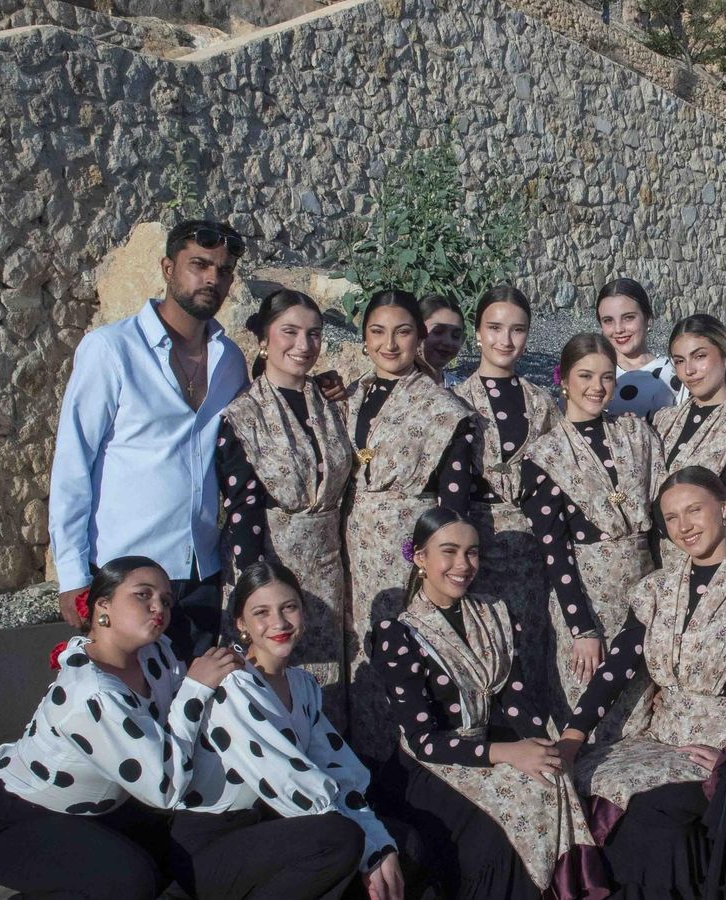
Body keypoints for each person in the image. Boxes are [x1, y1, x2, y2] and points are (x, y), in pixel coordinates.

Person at [558, 467, 726, 900]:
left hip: (720, 746)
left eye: (694, 510)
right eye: (671, 518)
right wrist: (573, 735)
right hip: (658, 736)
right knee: (571, 782)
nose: (684, 526)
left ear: (725, 510)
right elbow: (615, 669)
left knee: (651, 822)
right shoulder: (654, 590)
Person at [0, 557, 242, 899]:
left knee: (184, 850)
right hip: (14, 823)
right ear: (103, 606)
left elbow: (185, 726)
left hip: (97, 813)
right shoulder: (92, 691)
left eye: (166, 600)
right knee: (130, 882)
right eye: (143, 595)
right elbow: (164, 787)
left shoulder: (155, 653)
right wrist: (197, 688)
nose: (159, 607)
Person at [370, 508, 606, 899]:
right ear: (420, 558)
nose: (463, 565)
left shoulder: (493, 614)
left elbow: (514, 698)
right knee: (503, 826)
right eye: (449, 551)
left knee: (549, 778)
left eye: (472, 552)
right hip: (431, 764)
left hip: (486, 743)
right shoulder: (401, 635)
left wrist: (544, 750)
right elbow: (423, 739)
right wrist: (510, 753)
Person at [49, 220, 250, 661]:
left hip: (200, 571)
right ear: (166, 267)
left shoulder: (229, 360)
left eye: (224, 269)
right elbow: (72, 465)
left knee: (190, 703)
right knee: (128, 705)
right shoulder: (111, 349)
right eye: (199, 264)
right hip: (125, 574)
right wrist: (72, 575)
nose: (212, 279)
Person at [170, 559, 408, 900]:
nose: (278, 622)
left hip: (265, 826)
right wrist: (368, 846)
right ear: (241, 624)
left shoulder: (302, 684)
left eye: (289, 608)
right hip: (209, 844)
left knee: (400, 843)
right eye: (261, 613)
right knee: (341, 840)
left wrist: (380, 842)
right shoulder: (233, 685)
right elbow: (288, 779)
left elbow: (337, 769)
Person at [343, 289, 480, 760]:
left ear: (419, 336)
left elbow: (453, 508)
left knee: (408, 652)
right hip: (352, 556)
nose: (389, 344)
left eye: (402, 332)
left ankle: (410, 762)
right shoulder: (352, 395)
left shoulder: (446, 411)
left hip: (408, 553)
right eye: (377, 332)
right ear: (363, 338)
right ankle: (363, 761)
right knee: (359, 652)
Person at [215, 289, 356, 726]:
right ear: (263, 338)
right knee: (272, 677)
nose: (303, 346)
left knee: (327, 682)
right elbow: (243, 508)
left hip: (330, 569)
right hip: (272, 566)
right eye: (290, 332)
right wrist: (257, 591)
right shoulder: (243, 416)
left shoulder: (331, 407)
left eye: (313, 335)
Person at [518, 334, 664, 735]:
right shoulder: (545, 456)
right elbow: (554, 550)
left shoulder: (635, 435)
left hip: (643, 597)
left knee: (641, 710)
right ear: (562, 379)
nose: (597, 387)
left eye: (606, 377)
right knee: (587, 714)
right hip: (586, 603)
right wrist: (582, 628)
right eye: (585, 375)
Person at [453, 286, 562, 716]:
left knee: (530, 644)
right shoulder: (455, 399)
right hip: (476, 542)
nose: (505, 340)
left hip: (531, 551)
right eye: (494, 328)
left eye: (517, 330)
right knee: (482, 646)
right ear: (478, 332)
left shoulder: (541, 402)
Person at [653, 314, 726, 566]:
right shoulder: (662, 422)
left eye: (699, 356)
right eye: (679, 361)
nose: (689, 370)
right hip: (658, 568)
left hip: (710, 571)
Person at [596, 277, 678, 416]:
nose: (618, 329)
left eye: (628, 317)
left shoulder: (674, 373)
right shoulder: (590, 372)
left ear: (648, 318)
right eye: (608, 320)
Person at [418, 294, 466, 388]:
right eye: (438, 331)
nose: (448, 342)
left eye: (455, 336)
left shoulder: (459, 389)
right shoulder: (394, 390)